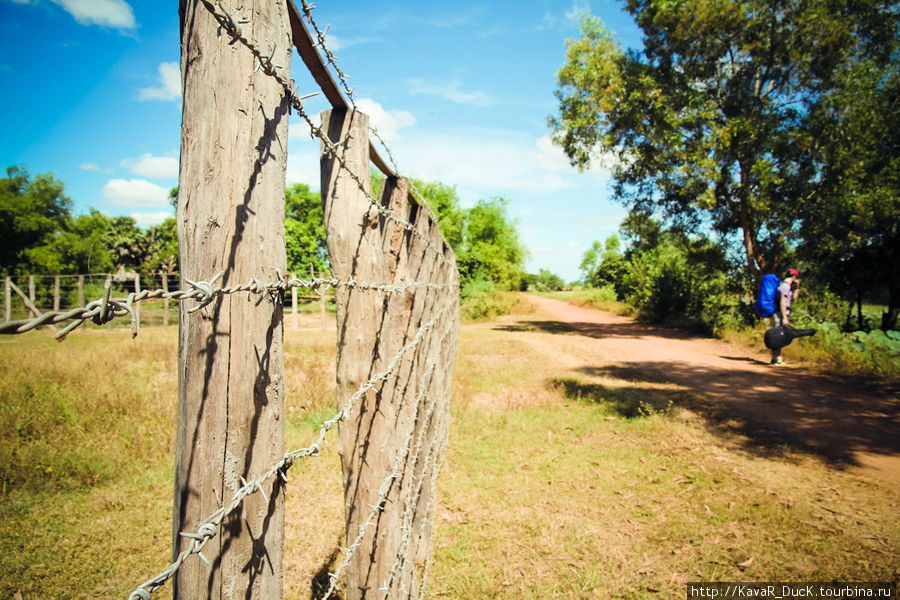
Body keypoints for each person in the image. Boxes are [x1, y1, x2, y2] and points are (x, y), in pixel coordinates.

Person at [770, 268, 800, 366]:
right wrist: (784, 317)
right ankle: (776, 359)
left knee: (778, 336)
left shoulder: (786, 286)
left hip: (780, 313)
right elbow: (783, 302)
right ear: (794, 276)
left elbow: (794, 298)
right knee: (778, 336)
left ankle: (776, 358)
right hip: (780, 314)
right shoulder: (785, 286)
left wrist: (797, 287)